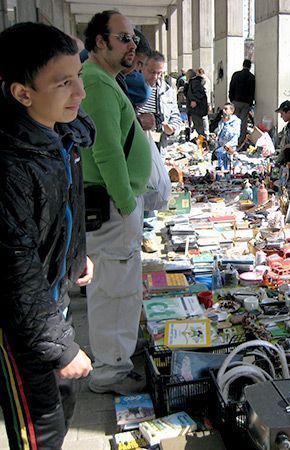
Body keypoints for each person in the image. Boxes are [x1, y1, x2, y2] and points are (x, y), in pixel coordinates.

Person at [0, 22, 94, 449]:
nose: (80, 93)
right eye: (64, 83)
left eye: (79, 77)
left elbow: (63, 215)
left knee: (65, 404)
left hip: (52, 303)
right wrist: (58, 347)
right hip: (18, 325)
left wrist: (76, 256)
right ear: (23, 93)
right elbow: (15, 264)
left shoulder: (60, 136)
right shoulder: (10, 162)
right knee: (41, 430)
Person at [81, 10, 151, 395]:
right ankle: (110, 370)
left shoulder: (102, 80)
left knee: (117, 286)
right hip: (112, 206)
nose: (132, 45)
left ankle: (116, 353)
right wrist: (126, 203)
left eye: (133, 38)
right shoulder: (97, 82)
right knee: (114, 289)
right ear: (99, 42)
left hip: (112, 205)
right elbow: (106, 151)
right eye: (123, 38)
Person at [137, 50, 183, 149]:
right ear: (142, 67)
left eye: (159, 73)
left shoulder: (167, 90)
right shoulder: (132, 88)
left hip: (158, 145)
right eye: (152, 72)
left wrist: (171, 129)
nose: (155, 77)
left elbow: (175, 117)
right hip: (136, 142)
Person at [229, 59, 255, 145]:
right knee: (243, 123)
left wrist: (231, 99)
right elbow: (252, 91)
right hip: (246, 103)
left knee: (234, 121)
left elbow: (231, 87)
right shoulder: (252, 77)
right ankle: (241, 141)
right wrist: (250, 103)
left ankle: (233, 139)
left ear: (243, 65)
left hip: (236, 101)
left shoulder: (236, 75)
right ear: (250, 66)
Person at [213, 102, 241, 170]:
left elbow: (233, 135)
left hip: (229, 147)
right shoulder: (222, 121)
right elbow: (218, 131)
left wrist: (226, 123)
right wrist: (215, 134)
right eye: (223, 109)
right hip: (220, 146)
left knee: (225, 166)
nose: (223, 111)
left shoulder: (236, 121)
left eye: (226, 109)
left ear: (231, 111)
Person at [186, 68, 209, 139]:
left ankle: (203, 143)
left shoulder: (194, 82)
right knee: (198, 125)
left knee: (199, 126)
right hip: (196, 108)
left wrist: (194, 100)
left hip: (197, 108)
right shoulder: (194, 82)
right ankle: (202, 141)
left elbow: (198, 93)